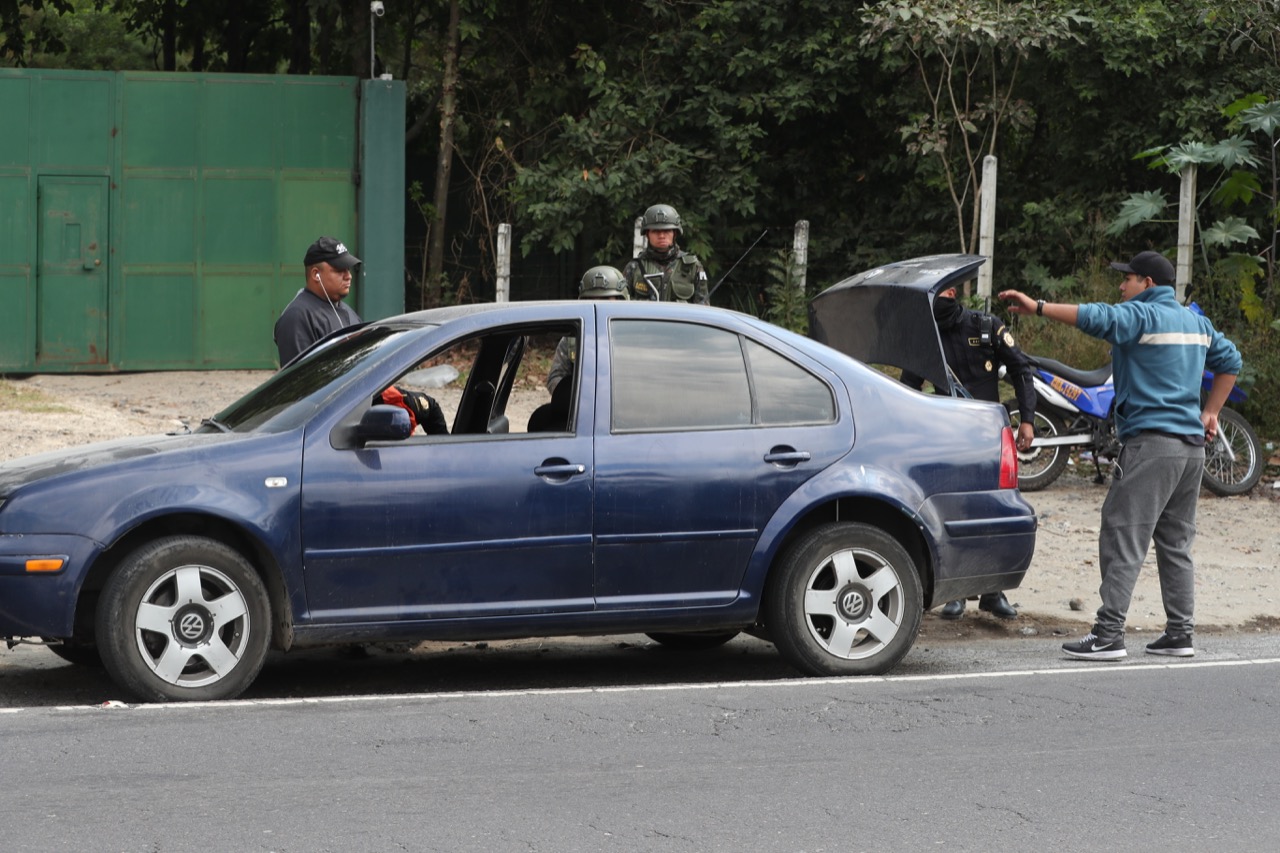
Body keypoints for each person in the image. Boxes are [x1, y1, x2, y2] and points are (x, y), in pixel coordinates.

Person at [1000, 250, 1242, 660]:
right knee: (1176, 543)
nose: (1121, 286)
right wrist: (1212, 411)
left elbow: (1098, 317)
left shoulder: (1142, 316)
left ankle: (1109, 634)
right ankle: (1180, 633)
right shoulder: (1197, 324)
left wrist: (1037, 307)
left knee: (1122, 534)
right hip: (1190, 451)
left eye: (1126, 279)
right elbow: (1231, 361)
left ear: (1147, 284)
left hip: (1152, 446)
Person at [901, 283, 1037, 621]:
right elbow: (907, 390)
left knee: (993, 509)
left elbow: (1022, 369)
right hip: (947, 436)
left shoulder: (986, 326)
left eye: (945, 294)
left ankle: (992, 591)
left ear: (954, 294)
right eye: (934, 297)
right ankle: (957, 591)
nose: (941, 301)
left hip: (990, 434)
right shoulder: (926, 337)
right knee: (955, 513)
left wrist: (1028, 421)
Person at [274, 236, 364, 365]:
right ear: (316, 274)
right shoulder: (297, 317)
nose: (348, 276)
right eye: (339, 270)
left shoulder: (347, 311)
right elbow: (301, 379)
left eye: (348, 269)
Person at [546, 265, 629, 395]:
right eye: (592, 299)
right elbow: (555, 377)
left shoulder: (633, 338)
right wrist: (577, 397)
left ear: (621, 300)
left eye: (606, 299)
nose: (599, 305)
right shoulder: (573, 338)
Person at [622, 204, 709, 304]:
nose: (662, 236)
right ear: (647, 234)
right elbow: (622, 307)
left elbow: (703, 310)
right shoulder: (634, 267)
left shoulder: (692, 267)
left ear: (675, 233)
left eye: (667, 230)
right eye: (655, 231)